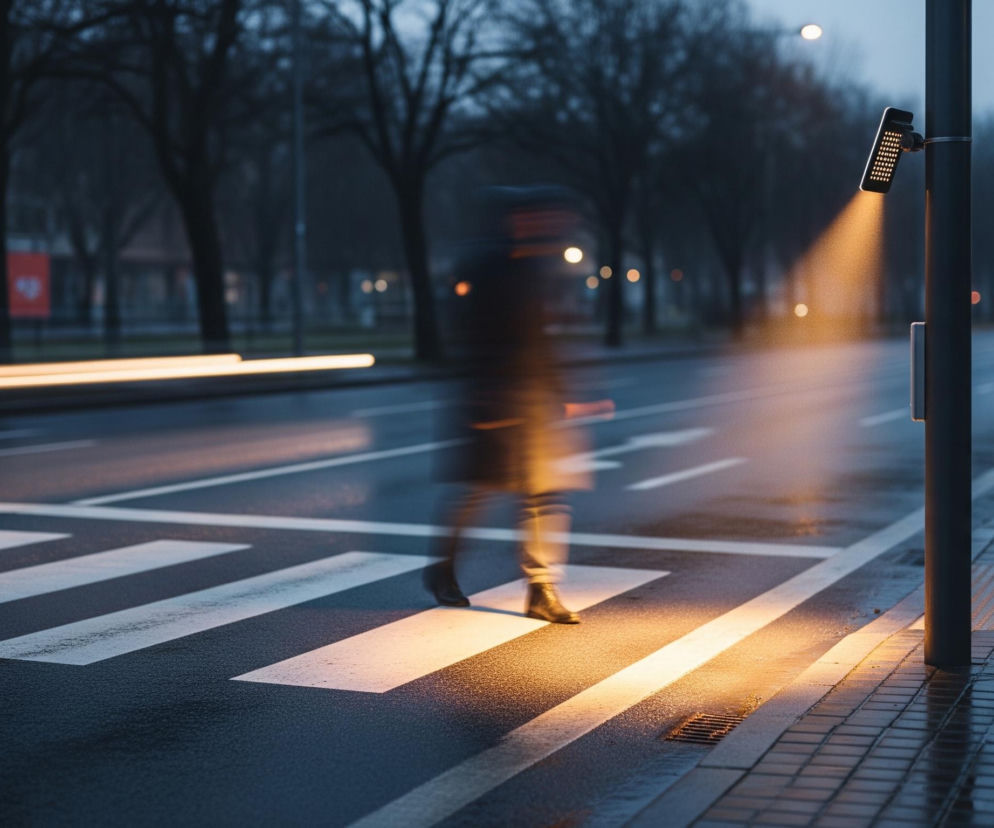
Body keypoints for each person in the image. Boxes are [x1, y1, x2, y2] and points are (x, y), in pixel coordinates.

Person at [425, 186, 612, 624]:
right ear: (520, 220)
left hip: (530, 399)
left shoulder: (536, 269)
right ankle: (443, 567)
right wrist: (486, 399)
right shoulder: (487, 268)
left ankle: (541, 588)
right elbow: (473, 335)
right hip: (493, 398)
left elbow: (539, 340)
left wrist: (566, 396)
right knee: (480, 490)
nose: (553, 226)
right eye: (543, 217)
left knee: (544, 492)